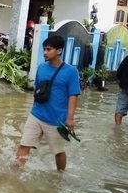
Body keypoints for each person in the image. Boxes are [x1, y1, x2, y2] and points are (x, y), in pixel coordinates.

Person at [14, 35, 81, 171]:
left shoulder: (71, 71)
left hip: (57, 120)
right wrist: (33, 108)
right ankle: (15, 173)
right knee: (24, 145)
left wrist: (69, 118)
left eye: (48, 49)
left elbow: (73, 96)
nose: (45, 52)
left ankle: (60, 175)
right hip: (36, 115)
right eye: (44, 49)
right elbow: (37, 90)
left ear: (59, 51)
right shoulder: (42, 68)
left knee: (58, 151)